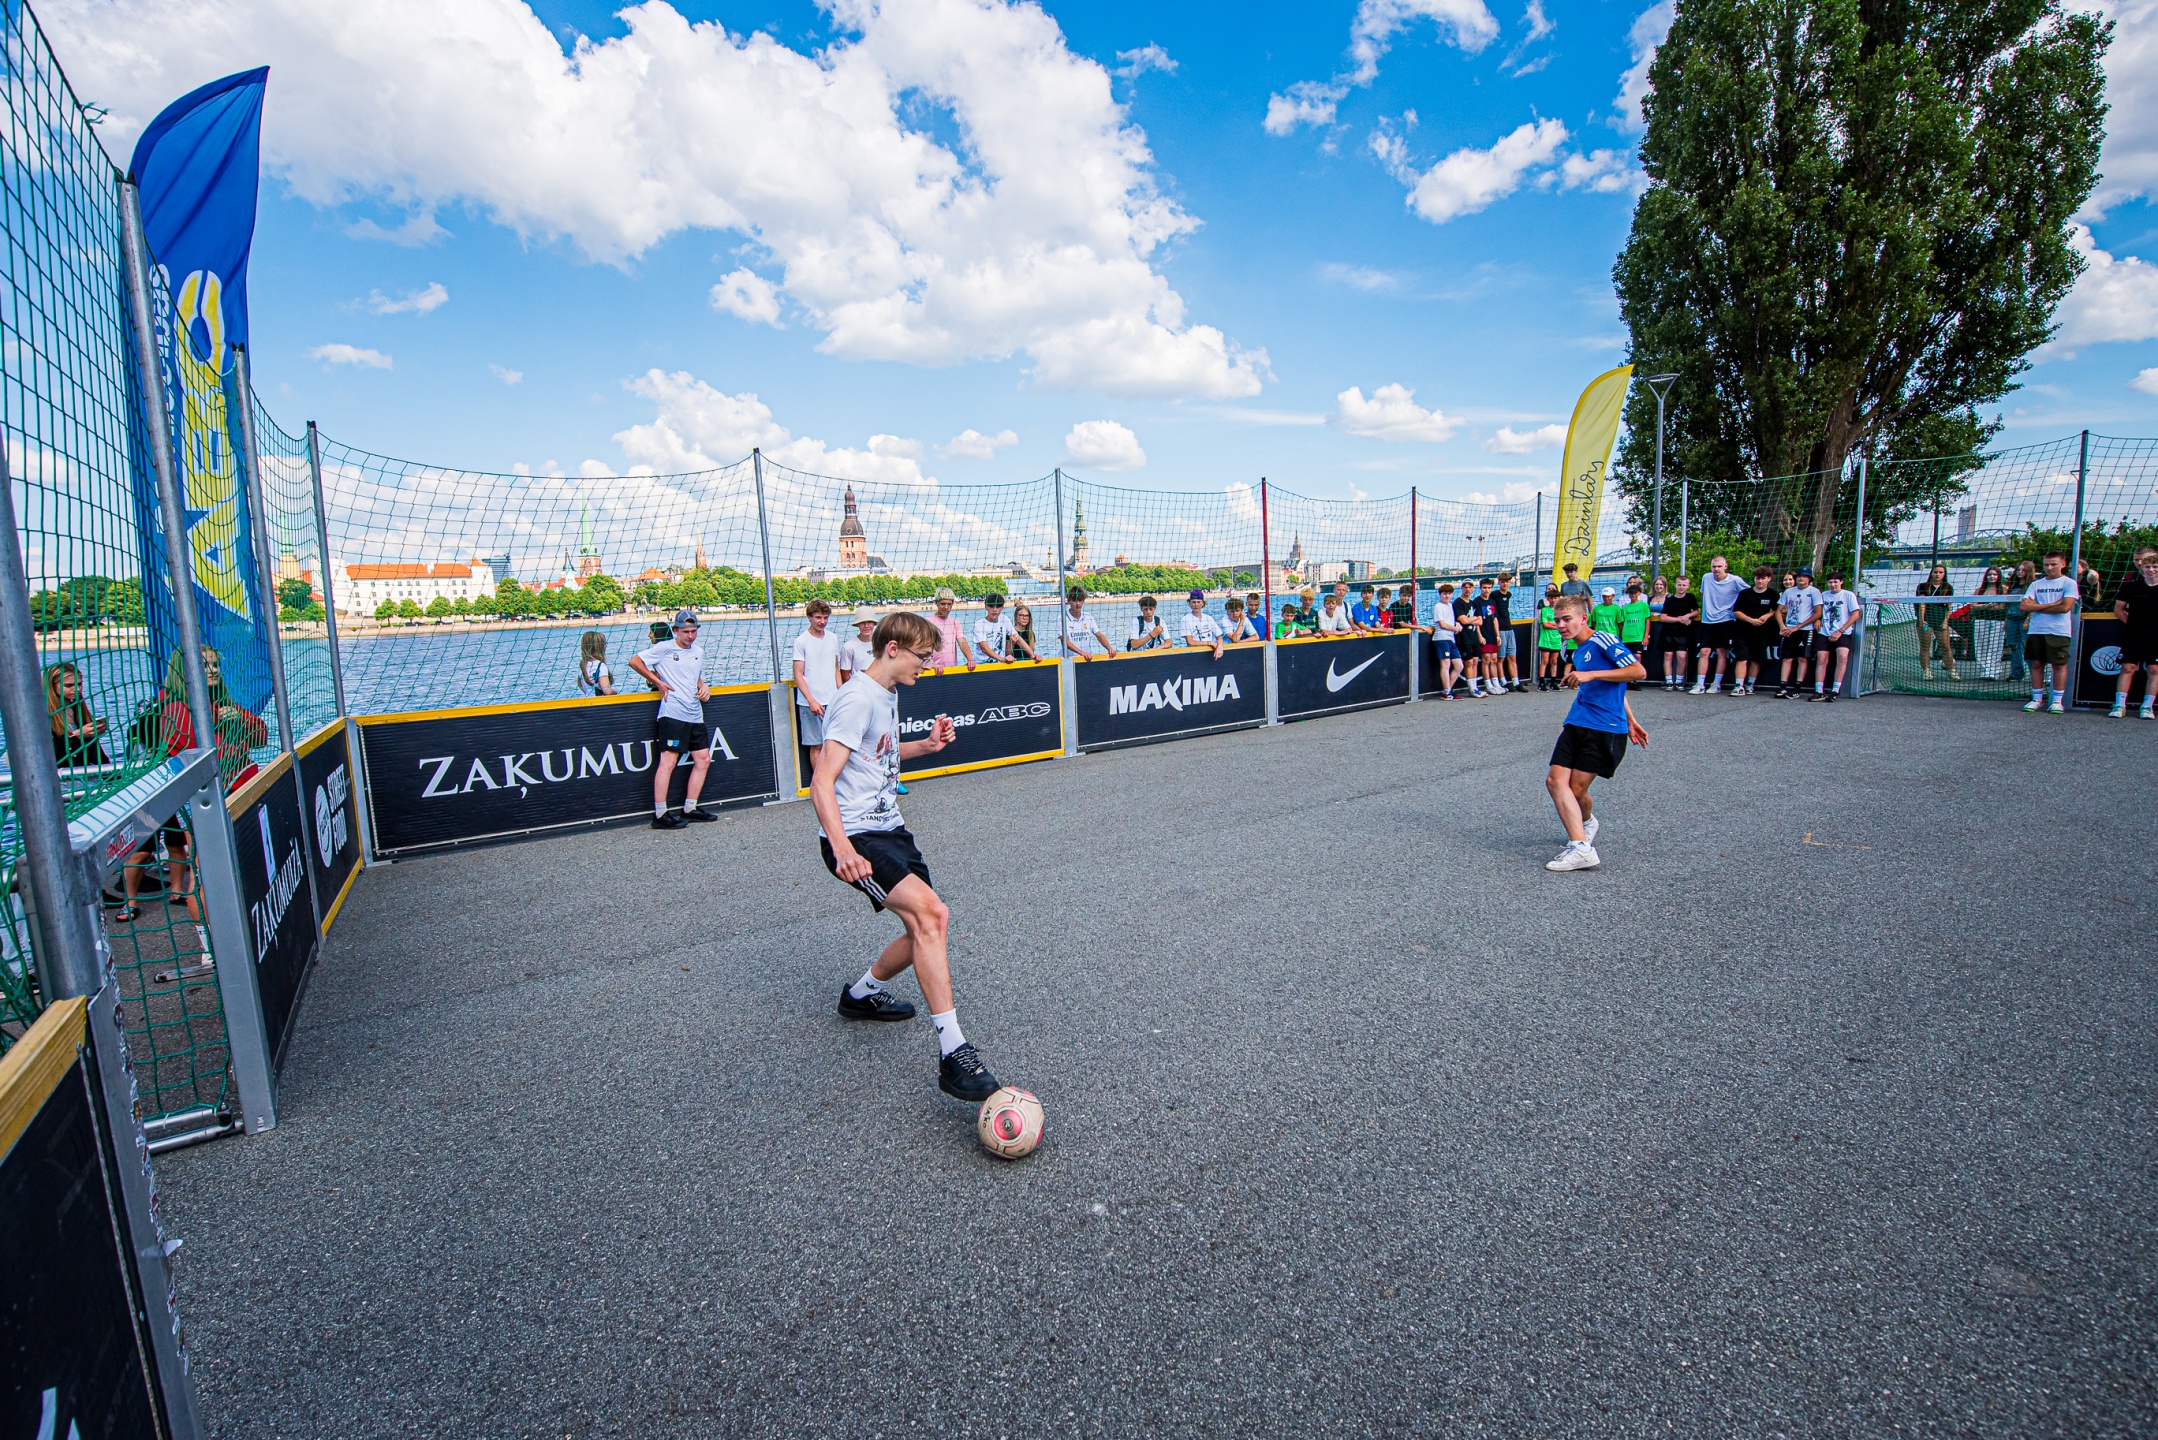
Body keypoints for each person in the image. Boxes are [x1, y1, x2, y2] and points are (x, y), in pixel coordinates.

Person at [813, 610, 999, 1104]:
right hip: (857, 837)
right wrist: (842, 848)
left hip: (890, 829)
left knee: (925, 926)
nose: (929, 664)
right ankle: (953, 1052)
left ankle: (861, 995)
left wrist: (926, 746)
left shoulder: (887, 692)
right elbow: (821, 781)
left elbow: (878, 753)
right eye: (923, 655)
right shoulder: (856, 697)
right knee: (931, 915)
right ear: (892, 648)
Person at [122, 647, 269, 956]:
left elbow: (261, 736)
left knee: (235, 871)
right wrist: (222, 721)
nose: (212, 670)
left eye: (215, 664)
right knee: (204, 875)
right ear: (183, 671)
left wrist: (239, 719)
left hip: (238, 795)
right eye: (204, 665)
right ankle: (211, 949)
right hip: (206, 803)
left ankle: (234, 939)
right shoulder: (175, 708)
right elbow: (195, 749)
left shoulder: (222, 702)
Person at [1544, 595, 1649, 872]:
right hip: (1577, 720)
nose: (1561, 625)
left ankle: (1587, 823)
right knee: (1555, 781)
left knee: (1577, 790)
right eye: (1557, 620)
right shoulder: (1574, 650)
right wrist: (1632, 719)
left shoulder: (1604, 640)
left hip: (1605, 726)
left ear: (1583, 618)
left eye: (1567, 619)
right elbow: (1615, 688)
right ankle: (1581, 846)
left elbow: (1637, 671)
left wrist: (1591, 675)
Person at [628, 609, 717, 828]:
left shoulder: (698, 651)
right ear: (676, 630)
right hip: (673, 713)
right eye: (686, 631)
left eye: (694, 631)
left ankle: (690, 808)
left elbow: (694, 676)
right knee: (668, 762)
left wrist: (703, 685)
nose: (690, 635)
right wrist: (657, 681)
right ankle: (660, 814)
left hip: (694, 713)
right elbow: (635, 662)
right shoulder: (664, 648)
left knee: (703, 760)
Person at [2019, 551, 2078, 713]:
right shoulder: (2036, 584)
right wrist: (2052, 604)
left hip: (2058, 630)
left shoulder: (2069, 583)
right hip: (2036, 629)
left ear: (2063, 564)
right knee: (2037, 663)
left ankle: (2057, 701)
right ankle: (2037, 699)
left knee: (2058, 665)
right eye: (2046, 564)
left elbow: (2064, 607)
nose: (2050, 568)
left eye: (2054, 564)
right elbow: (2024, 606)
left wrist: (2036, 607)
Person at [2110, 545, 2158, 718]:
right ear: (2142, 568)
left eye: (2155, 567)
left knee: (2154, 670)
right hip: (2134, 635)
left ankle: (2147, 707)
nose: (2151, 570)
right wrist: (2133, 625)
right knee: (2127, 668)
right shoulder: (2131, 587)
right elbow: (2119, 609)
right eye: (2147, 566)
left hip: (2156, 637)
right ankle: (2119, 706)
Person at [792, 600, 843, 758]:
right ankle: (819, 775)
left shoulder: (833, 638)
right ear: (809, 617)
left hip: (832, 699)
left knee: (836, 742)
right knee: (817, 745)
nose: (822, 621)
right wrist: (811, 701)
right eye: (818, 617)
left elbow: (835, 667)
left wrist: (841, 693)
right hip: (812, 702)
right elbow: (798, 674)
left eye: (825, 618)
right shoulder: (801, 641)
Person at [1691, 555, 1745, 694]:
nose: (1716, 569)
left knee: (1721, 652)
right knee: (1704, 652)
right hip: (1707, 621)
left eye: (1719, 566)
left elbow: (1749, 593)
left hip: (1725, 621)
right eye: (1714, 566)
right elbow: (1704, 595)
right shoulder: (1706, 578)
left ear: (1725, 566)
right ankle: (1700, 684)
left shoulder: (1735, 580)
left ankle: (1716, 684)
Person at [45, 661, 109, 767]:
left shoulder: (78, 710)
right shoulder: (43, 715)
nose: (77, 689)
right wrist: (76, 736)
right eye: (69, 685)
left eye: (79, 684)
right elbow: (45, 751)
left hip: (85, 771)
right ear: (52, 686)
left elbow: (95, 754)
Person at [1774, 567, 1822, 698]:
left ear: (1809, 578)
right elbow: (1778, 611)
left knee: (1802, 658)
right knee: (1786, 658)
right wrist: (1782, 626)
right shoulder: (1789, 592)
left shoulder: (1814, 592)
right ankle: (1783, 686)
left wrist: (1798, 627)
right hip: (1789, 628)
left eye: (1804, 576)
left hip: (1805, 630)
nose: (1801, 578)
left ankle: (1797, 687)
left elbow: (1818, 613)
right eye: (1799, 576)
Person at [1731, 566, 1779, 695]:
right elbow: (1736, 611)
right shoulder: (1745, 593)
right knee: (1742, 658)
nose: (1760, 581)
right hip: (1743, 630)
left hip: (1762, 632)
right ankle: (1739, 686)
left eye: (1763, 578)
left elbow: (1778, 610)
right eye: (1758, 578)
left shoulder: (1773, 594)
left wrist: (1768, 615)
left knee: (1756, 659)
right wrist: (1750, 620)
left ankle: (1750, 685)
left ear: (1769, 579)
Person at [1811, 573, 1859, 701]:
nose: (1833, 585)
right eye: (1830, 582)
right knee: (1821, 659)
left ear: (1841, 582)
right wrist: (1817, 619)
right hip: (1825, 631)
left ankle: (1835, 690)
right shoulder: (1823, 595)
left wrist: (1840, 631)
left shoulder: (1848, 595)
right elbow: (1817, 611)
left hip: (1843, 632)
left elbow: (1855, 614)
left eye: (1835, 582)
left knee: (1842, 656)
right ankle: (1818, 690)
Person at [1914, 564, 1957, 680]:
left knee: (1945, 646)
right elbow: (1922, 604)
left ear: (1944, 574)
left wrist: (1945, 622)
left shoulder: (1948, 587)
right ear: (1931, 573)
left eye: (1940, 572)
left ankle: (1951, 671)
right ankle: (1926, 671)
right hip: (1926, 619)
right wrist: (1922, 620)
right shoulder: (1923, 586)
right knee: (1925, 646)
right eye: (1935, 572)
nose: (1937, 574)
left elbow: (1948, 606)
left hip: (1940, 618)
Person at [1657, 575, 1697, 690]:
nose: (1681, 587)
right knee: (1668, 656)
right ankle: (1669, 681)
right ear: (1675, 585)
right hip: (1668, 632)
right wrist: (1679, 619)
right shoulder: (1669, 600)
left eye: (1684, 585)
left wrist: (1688, 615)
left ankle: (1679, 681)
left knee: (1682, 656)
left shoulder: (1690, 597)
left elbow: (1696, 611)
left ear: (1688, 586)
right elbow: (1663, 617)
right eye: (1679, 584)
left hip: (1683, 633)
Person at [1971, 566, 2010, 679]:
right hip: (1981, 620)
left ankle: (1993, 671)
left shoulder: (2004, 589)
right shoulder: (1979, 590)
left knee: (1995, 646)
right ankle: (1984, 670)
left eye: (1994, 574)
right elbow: (1973, 606)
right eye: (1989, 574)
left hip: (1998, 620)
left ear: (1998, 576)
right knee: (1980, 645)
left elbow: (2002, 607)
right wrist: (1986, 606)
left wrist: (1986, 606)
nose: (1992, 577)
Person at [1059, 585, 1116, 660]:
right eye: (1075, 600)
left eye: (1080, 600)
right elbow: (1064, 641)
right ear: (1069, 601)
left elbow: (1099, 635)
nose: (1078, 603)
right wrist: (1081, 653)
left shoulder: (1088, 617)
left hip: (1085, 660)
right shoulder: (1062, 618)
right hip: (1068, 660)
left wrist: (1109, 648)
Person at [1430, 582, 1466, 697]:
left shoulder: (1450, 606)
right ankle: (1447, 691)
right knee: (1445, 664)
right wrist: (1455, 628)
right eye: (1444, 594)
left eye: (1449, 594)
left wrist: (1457, 624)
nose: (1447, 596)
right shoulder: (1438, 606)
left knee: (1459, 666)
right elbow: (1442, 624)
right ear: (1440, 594)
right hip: (1441, 638)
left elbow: (1451, 621)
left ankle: (1448, 689)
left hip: (1451, 639)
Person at [2004, 559, 2036, 683]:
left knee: (2028, 646)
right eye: (2018, 569)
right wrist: (2006, 620)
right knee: (2014, 646)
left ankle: (2035, 673)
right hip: (2012, 618)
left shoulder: (2033, 586)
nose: (2020, 572)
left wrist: (2028, 620)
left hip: (2024, 618)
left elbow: (2034, 605)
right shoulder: (2013, 586)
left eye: (2023, 570)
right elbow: (2009, 605)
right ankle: (2016, 673)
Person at [1617, 580, 1651, 685]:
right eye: (1631, 593)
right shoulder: (1625, 607)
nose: (1633, 595)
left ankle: (1635, 679)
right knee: (1626, 658)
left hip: (1638, 636)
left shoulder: (1643, 605)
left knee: (1637, 657)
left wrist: (1646, 636)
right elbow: (1622, 623)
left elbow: (1647, 621)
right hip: (1627, 636)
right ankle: (1627, 679)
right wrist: (1620, 636)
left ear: (1639, 593)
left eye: (1635, 593)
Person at [925, 587, 966, 670]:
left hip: (951, 669)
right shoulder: (928, 622)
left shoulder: (955, 622)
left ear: (953, 603)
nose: (946, 607)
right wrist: (932, 664)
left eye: (949, 604)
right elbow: (923, 648)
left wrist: (970, 659)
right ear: (936, 603)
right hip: (933, 670)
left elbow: (962, 642)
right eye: (943, 604)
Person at [1177, 589, 1227, 657]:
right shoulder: (1185, 619)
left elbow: (1219, 638)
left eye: (1198, 602)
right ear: (1189, 603)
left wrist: (1219, 646)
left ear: (1203, 603)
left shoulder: (1209, 618)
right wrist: (1210, 643)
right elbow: (1190, 642)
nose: (1196, 605)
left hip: (1209, 654)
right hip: (1194, 654)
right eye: (1193, 602)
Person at [1492, 573, 1519, 690]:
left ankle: (1516, 682)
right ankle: (1503, 681)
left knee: (1512, 657)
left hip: (1509, 627)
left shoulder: (1509, 594)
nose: (1505, 584)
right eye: (1502, 582)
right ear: (1499, 582)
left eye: (1507, 582)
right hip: (1500, 628)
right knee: (1501, 658)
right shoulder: (1494, 595)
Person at [1535, 584, 1566, 689]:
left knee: (1554, 661)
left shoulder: (1561, 611)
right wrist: (1556, 625)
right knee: (1545, 661)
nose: (1553, 600)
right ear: (1548, 599)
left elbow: (1562, 623)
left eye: (1555, 598)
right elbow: (1545, 624)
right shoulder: (1545, 610)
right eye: (1551, 598)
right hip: (1545, 639)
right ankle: (1541, 682)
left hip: (1556, 640)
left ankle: (1553, 682)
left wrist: (1553, 624)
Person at [970, 593, 1013, 665]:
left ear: (1002, 607)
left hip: (999, 664)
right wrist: (1002, 659)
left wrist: (1031, 654)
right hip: (982, 664)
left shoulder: (1004, 619)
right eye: (991, 606)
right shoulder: (979, 624)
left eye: (998, 606)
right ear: (986, 607)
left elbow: (1017, 637)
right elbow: (984, 648)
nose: (994, 610)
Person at [840, 608, 882, 680]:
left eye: (869, 622)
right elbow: (845, 675)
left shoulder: (883, 643)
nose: (866, 626)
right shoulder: (848, 647)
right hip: (859, 685)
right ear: (858, 624)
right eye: (862, 622)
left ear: (874, 624)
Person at [576, 631, 615, 695]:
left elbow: (580, 686)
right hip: (601, 700)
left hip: (588, 700)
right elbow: (607, 691)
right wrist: (616, 691)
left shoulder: (583, 666)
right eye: (604, 644)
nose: (606, 646)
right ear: (598, 647)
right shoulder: (600, 666)